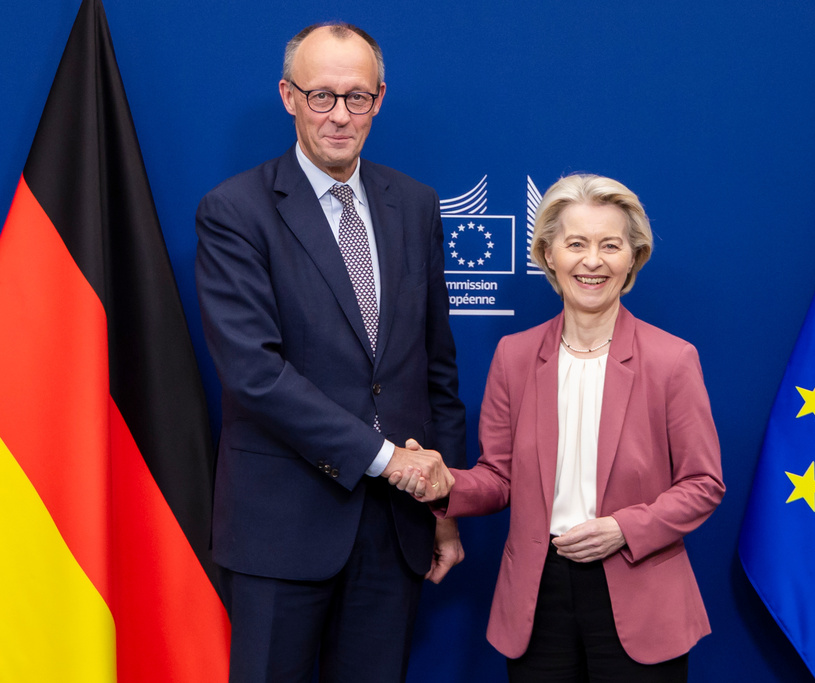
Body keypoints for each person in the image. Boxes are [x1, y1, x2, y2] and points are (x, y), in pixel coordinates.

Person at [195, 22, 465, 683]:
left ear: (380, 98)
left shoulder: (417, 205)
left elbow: (437, 369)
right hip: (282, 528)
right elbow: (256, 375)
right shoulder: (235, 210)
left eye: (357, 96)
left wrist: (442, 506)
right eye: (322, 96)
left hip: (395, 532)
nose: (340, 116)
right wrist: (388, 462)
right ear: (288, 96)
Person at [394, 174, 725, 681]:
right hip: (537, 597)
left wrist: (622, 529)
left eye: (610, 245)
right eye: (576, 244)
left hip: (641, 592)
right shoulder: (515, 355)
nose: (592, 261)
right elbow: (499, 478)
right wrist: (447, 484)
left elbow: (703, 485)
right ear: (549, 254)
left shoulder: (672, 360)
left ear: (632, 257)